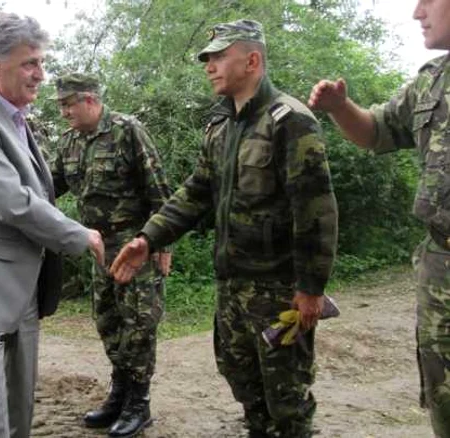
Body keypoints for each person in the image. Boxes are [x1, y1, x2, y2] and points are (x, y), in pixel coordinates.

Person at [110, 19, 338, 438]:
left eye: (218, 57)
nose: (209, 66)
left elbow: (316, 211)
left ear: (252, 60)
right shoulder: (220, 127)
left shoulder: (291, 121)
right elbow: (195, 193)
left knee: (287, 401)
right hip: (231, 285)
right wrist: (148, 238)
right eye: (206, 59)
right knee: (243, 383)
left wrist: (311, 288)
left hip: (278, 292)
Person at [0, 13, 105, 438]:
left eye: (41, 63)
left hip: (20, 288)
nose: (41, 75)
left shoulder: (12, 117)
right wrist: (78, 234)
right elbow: (13, 203)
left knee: (18, 413)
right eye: (30, 63)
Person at [308, 0, 450, 435]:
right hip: (441, 268)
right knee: (443, 395)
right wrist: (339, 107)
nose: (416, 12)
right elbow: (376, 131)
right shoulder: (431, 82)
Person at [50, 73, 172, 437]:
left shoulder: (126, 130)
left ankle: (139, 402)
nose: (64, 112)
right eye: (61, 105)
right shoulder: (69, 141)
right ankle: (119, 393)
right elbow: (49, 186)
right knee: (108, 323)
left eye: (69, 104)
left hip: (136, 247)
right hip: (100, 250)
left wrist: (162, 242)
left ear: (90, 99)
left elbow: (159, 188)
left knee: (139, 326)